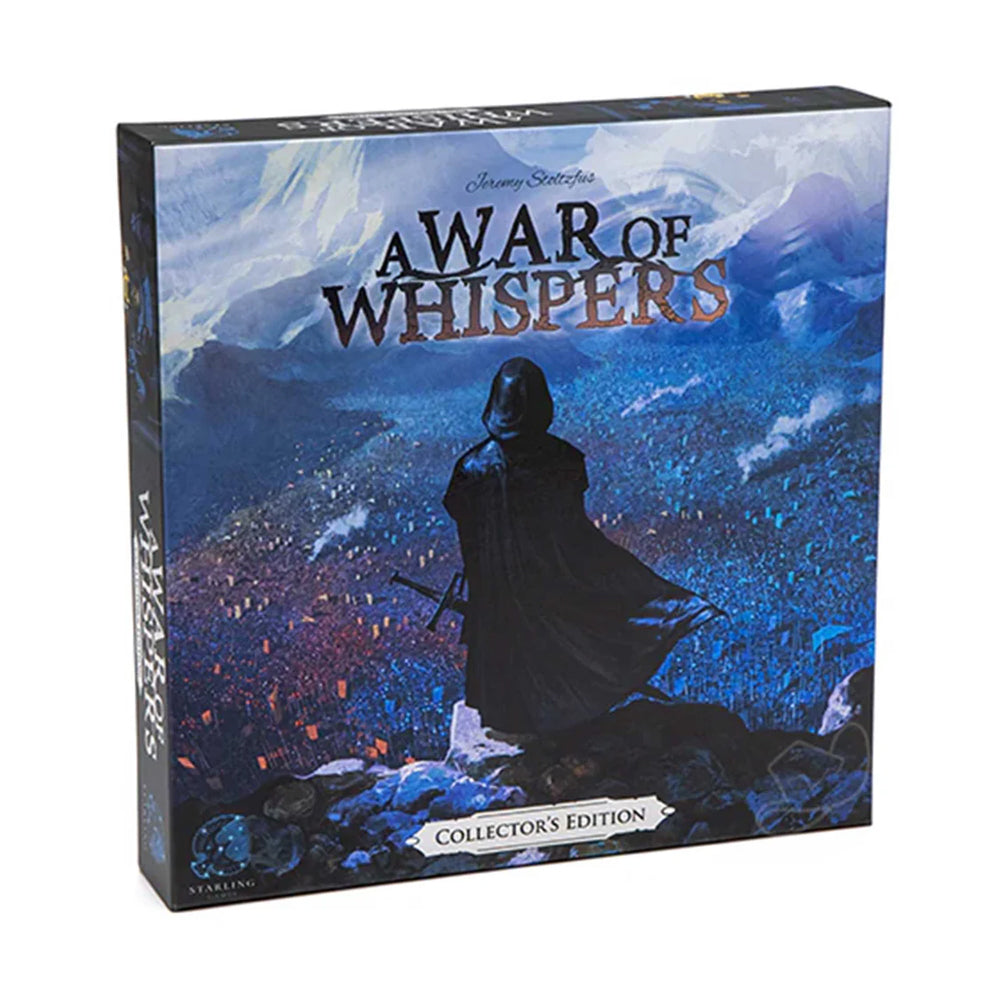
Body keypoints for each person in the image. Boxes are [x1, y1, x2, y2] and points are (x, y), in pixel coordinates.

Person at [444, 356, 723, 734]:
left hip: (496, 594)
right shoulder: (564, 460)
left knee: (513, 677)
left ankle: (518, 721)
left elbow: (465, 524)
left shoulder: (470, 468)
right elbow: (572, 530)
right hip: (553, 582)